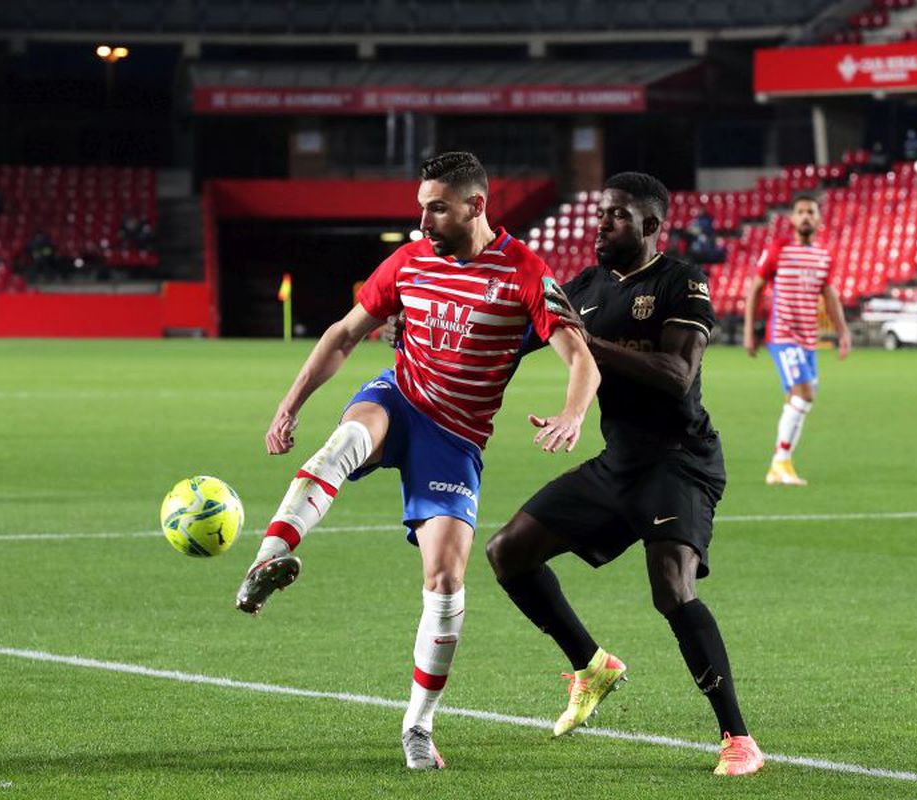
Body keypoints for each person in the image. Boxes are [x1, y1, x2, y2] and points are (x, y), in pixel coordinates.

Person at [234, 151, 600, 770]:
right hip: (399, 397)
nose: (424, 220)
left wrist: (573, 414)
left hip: (456, 439)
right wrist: (288, 407)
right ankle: (265, 562)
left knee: (447, 580)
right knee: (344, 443)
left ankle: (418, 727)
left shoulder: (523, 272)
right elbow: (343, 334)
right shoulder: (409, 260)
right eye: (420, 206)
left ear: (475, 206)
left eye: (437, 207)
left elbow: (580, 356)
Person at [484, 172, 765, 777]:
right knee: (508, 552)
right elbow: (520, 337)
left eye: (616, 215)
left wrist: (588, 344)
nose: (601, 224)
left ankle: (738, 738)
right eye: (600, 214)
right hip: (619, 463)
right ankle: (592, 666)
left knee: (671, 587)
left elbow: (675, 374)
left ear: (650, 225)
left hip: (678, 461)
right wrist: (450, 343)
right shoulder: (585, 286)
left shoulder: (681, 281)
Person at [742, 194, 851, 487]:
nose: (805, 216)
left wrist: (843, 332)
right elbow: (756, 288)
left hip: (808, 339)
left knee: (797, 400)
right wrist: (749, 330)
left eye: (810, 212)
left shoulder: (824, 256)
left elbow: (829, 295)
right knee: (805, 395)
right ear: (791, 219)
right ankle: (780, 461)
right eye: (800, 211)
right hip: (783, 335)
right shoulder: (779, 250)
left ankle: (780, 467)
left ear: (818, 219)